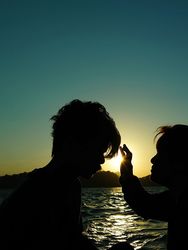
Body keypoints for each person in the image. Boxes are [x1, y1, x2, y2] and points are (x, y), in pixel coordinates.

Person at [0, 99, 132, 250]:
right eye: (98, 150)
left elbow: (72, 239)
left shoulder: (72, 185)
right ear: (72, 143)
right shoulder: (32, 196)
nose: (102, 160)